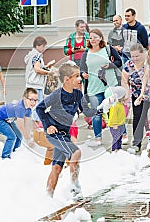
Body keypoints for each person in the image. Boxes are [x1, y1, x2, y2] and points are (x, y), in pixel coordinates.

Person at [35, 61, 97, 199]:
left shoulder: (78, 94)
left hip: (65, 135)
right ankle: (75, 187)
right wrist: (48, 126)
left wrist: (101, 108)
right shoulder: (57, 94)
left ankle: (48, 196)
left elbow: (87, 112)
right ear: (66, 80)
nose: (80, 79)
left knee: (56, 168)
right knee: (76, 152)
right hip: (54, 133)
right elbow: (39, 108)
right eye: (76, 77)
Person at [80, 29, 122, 146]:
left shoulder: (108, 49)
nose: (92, 40)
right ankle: (98, 138)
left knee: (112, 112)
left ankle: (118, 137)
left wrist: (110, 65)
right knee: (97, 113)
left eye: (95, 37)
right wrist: (83, 74)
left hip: (110, 86)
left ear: (100, 38)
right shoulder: (86, 53)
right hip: (93, 88)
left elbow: (119, 61)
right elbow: (82, 68)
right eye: (90, 38)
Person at [0, 88, 37, 159]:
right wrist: (28, 139)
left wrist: (29, 136)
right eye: (31, 100)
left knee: (19, 136)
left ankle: (15, 152)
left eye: (35, 100)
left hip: (7, 119)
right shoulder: (20, 108)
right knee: (12, 137)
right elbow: (21, 126)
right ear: (24, 98)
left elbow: (26, 125)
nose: (33, 103)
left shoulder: (28, 109)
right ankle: (5, 156)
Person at [121, 43, 150, 153]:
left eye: (137, 56)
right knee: (137, 117)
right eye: (132, 56)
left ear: (143, 54)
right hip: (136, 94)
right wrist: (126, 95)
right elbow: (124, 80)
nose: (135, 59)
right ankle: (137, 143)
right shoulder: (129, 64)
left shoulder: (149, 63)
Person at [25, 36, 55, 126]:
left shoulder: (30, 55)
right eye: (43, 46)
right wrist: (49, 73)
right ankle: (38, 123)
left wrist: (46, 66)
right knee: (38, 105)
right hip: (36, 84)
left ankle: (36, 124)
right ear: (38, 45)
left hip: (31, 83)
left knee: (34, 104)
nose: (44, 48)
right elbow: (37, 69)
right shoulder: (36, 56)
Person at [102, 86, 127, 152]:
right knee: (116, 138)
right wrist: (114, 124)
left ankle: (119, 149)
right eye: (123, 95)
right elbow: (113, 115)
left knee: (119, 138)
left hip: (120, 124)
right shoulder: (115, 105)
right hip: (115, 125)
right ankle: (115, 150)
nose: (125, 96)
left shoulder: (119, 104)